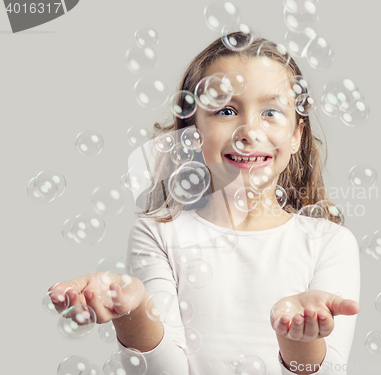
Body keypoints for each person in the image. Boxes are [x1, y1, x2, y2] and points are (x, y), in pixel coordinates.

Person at [47, 32, 361, 375]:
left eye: (271, 112)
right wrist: (134, 308)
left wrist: (298, 338)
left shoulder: (329, 243)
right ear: (191, 132)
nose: (248, 131)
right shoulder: (159, 234)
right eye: (226, 110)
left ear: (297, 135)